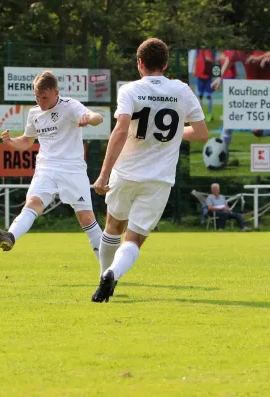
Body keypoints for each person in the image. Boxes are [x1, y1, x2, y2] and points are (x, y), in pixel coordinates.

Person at [91, 38, 209, 302]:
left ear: (140, 63)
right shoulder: (181, 90)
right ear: (165, 64)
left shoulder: (129, 90)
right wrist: (177, 132)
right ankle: (112, 273)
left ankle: (103, 275)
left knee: (112, 226)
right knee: (133, 239)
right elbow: (201, 133)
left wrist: (103, 173)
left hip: (125, 173)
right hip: (159, 179)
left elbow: (120, 130)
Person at [0, 70, 105, 267]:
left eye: (44, 97)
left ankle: (107, 271)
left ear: (56, 93)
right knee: (33, 203)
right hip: (46, 167)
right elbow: (27, 141)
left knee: (86, 217)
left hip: (71, 168)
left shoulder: (70, 106)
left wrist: (89, 118)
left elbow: (97, 117)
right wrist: (10, 142)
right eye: (37, 97)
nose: (40, 101)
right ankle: (10, 236)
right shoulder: (34, 113)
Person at [193, 49, 214, 122]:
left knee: (209, 96)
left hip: (208, 77)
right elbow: (196, 59)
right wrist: (195, 69)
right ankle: (200, 116)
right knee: (200, 96)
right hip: (200, 76)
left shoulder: (209, 51)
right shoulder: (198, 51)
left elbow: (211, 60)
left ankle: (210, 114)